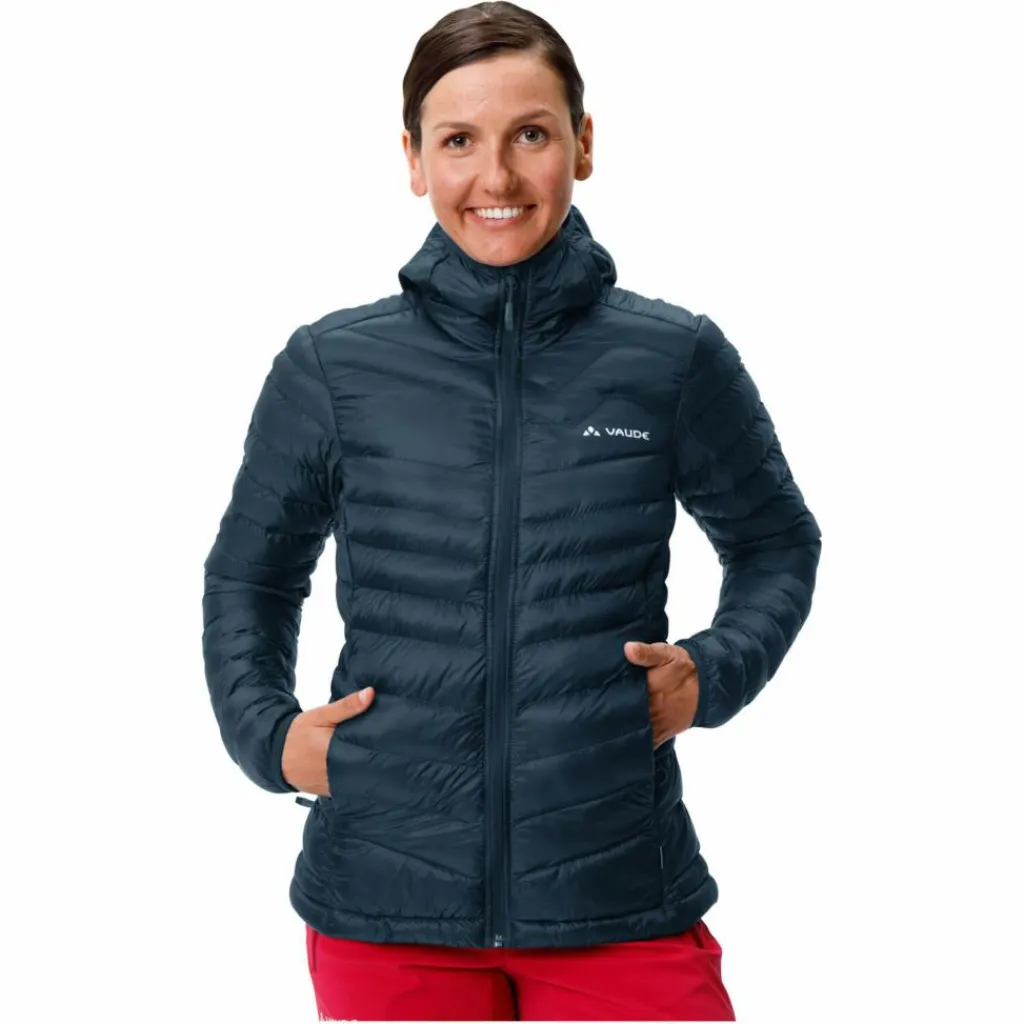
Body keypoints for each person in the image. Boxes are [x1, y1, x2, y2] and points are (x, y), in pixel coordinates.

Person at [201, 2, 822, 1019]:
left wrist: (711, 673)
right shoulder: (332, 367)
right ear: (414, 159)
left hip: (616, 889)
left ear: (583, 143)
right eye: (458, 141)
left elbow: (775, 543)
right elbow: (251, 575)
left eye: (530, 134)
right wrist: (265, 736)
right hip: (385, 899)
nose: (494, 177)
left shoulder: (672, 358)